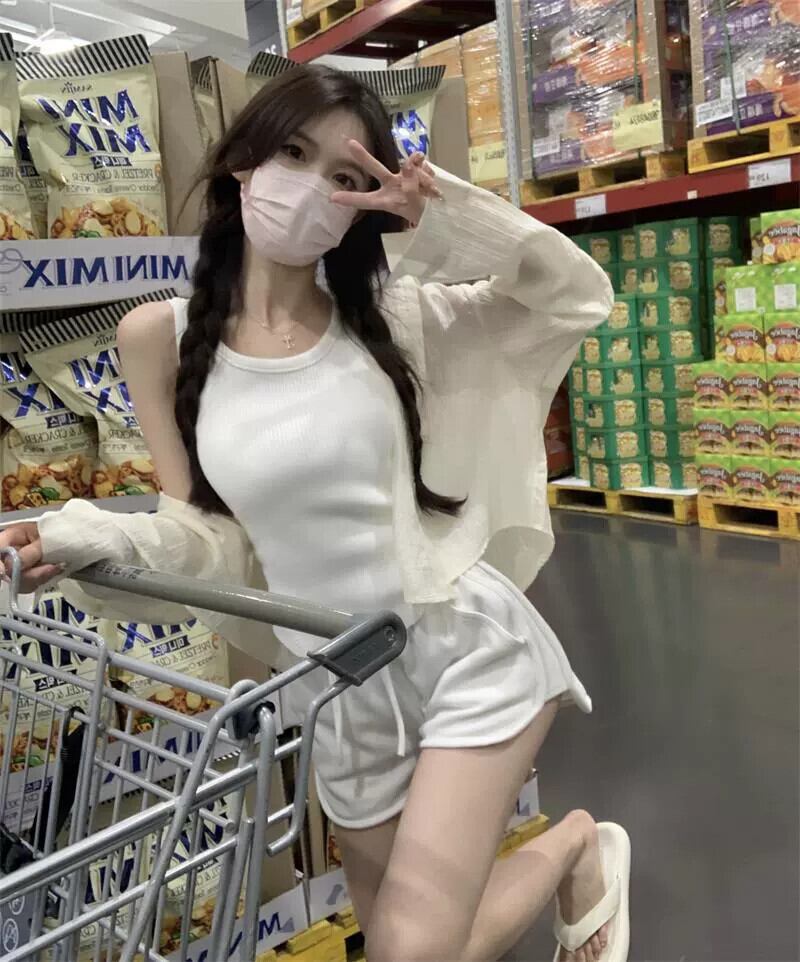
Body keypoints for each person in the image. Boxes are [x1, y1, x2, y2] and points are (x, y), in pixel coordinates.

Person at [0, 65, 630, 962]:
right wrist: (89, 536)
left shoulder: (398, 316)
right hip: (338, 684)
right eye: (294, 153)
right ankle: (571, 852)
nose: (309, 187)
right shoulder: (160, 338)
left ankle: (572, 844)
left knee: (413, 951)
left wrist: (438, 217)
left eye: (344, 175)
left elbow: (575, 296)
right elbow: (205, 535)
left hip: (458, 646)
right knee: (398, 942)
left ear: (359, 205)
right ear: (243, 164)